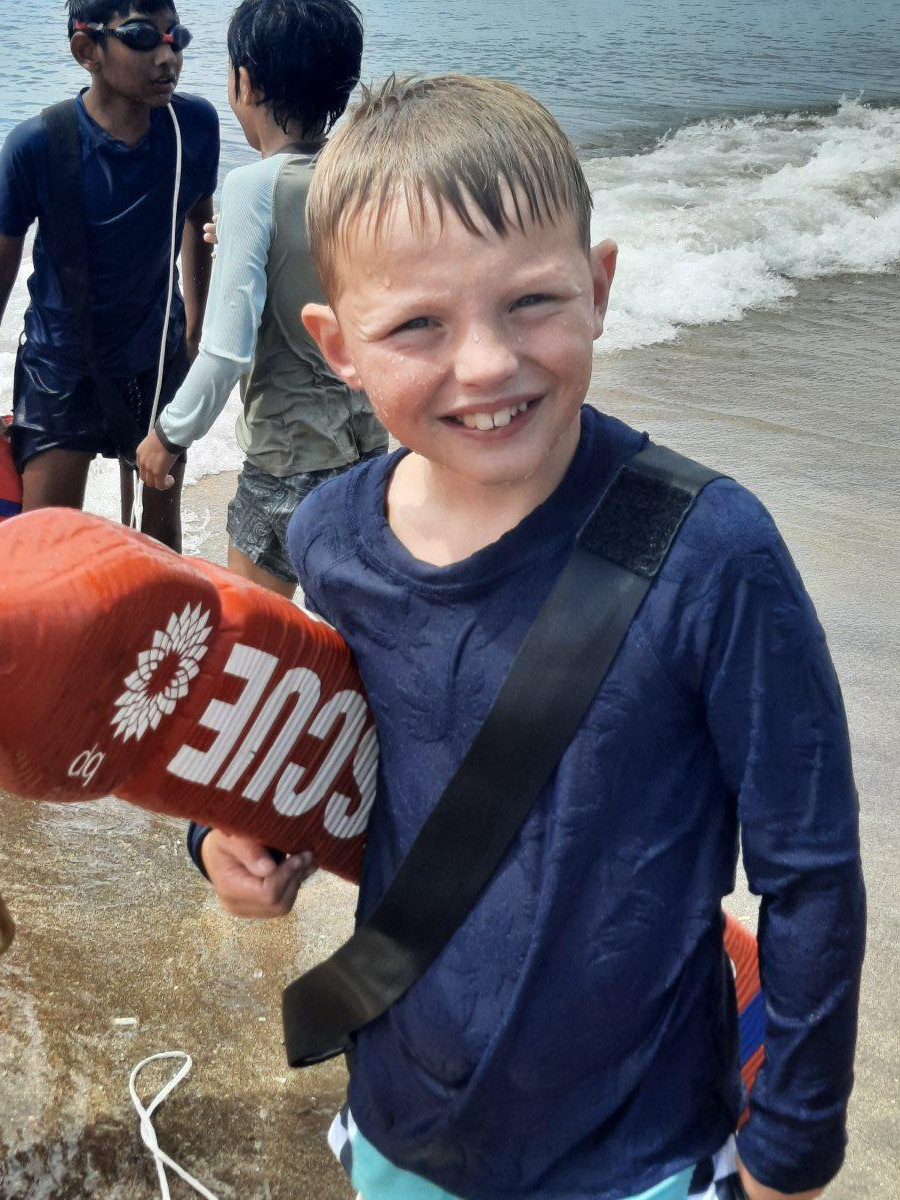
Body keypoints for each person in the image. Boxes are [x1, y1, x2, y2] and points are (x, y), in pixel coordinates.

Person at [191, 77, 866, 1200]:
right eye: (417, 324)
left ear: (598, 290)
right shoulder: (331, 539)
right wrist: (222, 842)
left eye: (533, 302)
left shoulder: (713, 552)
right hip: (399, 1122)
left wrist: (790, 1154)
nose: (488, 364)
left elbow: (813, 872)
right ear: (337, 345)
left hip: (641, 1152)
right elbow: (292, 749)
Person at [135, 0, 386, 597]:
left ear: (245, 82)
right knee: (350, 628)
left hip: (285, 462)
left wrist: (168, 435)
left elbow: (226, 352)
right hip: (368, 452)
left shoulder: (251, 188)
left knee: (249, 629)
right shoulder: (363, 173)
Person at [0, 0, 218, 551]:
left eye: (176, 37)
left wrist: (195, 329)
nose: (168, 56)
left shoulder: (193, 126)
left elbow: (198, 219)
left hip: (155, 357)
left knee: (159, 539)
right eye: (142, 37)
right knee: (43, 545)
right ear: (86, 50)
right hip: (60, 366)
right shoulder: (37, 144)